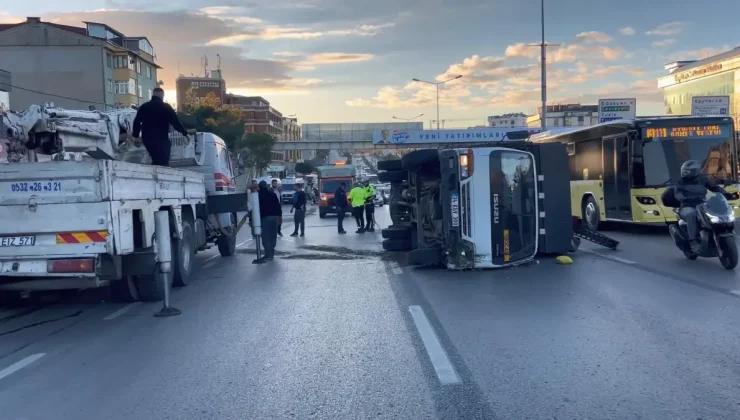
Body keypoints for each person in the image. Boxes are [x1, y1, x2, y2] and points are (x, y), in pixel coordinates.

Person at [675, 160, 727, 253]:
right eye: (684, 171)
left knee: (717, 211)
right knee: (692, 214)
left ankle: (724, 231)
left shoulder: (703, 180)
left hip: (702, 204)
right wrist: (684, 198)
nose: (684, 173)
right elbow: (677, 193)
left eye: (687, 171)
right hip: (687, 206)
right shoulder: (681, 182)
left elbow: (715, 188)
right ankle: (693, 241)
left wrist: (725, 193)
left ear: (695, 171)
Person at [132, 87, 189, 166]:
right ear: (162, 96)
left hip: (148, 139)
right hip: (161, 138)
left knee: (156, 158)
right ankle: (160, 175)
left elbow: (137, 122)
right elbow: (176, 123)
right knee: (163, 160)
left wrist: (136, 136)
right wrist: (185, 133)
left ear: (153, 94)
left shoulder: (144, 107)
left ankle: (155, 172)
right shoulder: (166, 107)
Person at [256, 180, 282, 261]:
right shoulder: (273, 194)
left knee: (266, 236)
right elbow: (278, 206)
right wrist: (280, 216)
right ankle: (271, 252)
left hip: (265, 218)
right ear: (267, 186)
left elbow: (255, 208)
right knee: (273, 235)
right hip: (274, 217)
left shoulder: (258, 196)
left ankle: (268, 254)